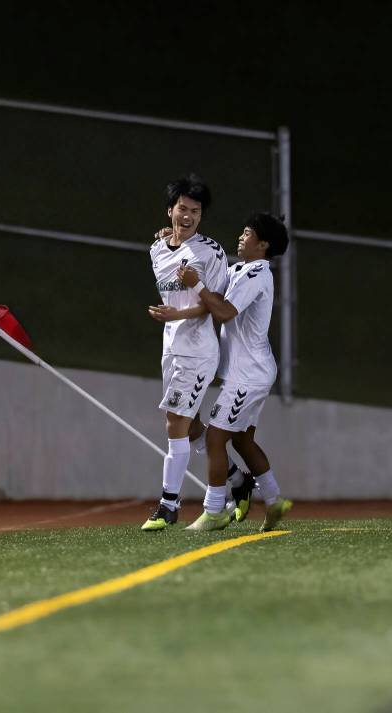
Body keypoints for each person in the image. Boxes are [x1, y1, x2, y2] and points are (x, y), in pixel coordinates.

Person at [179, 212, 293, 532]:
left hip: (249, 373)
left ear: (263, 245)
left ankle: (214, 510)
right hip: (250, 371)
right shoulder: (241, 268)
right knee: (242, 441)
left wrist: (196, 285)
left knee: (215, 437)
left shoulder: (258, 273)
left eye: (247, 233)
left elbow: (226, 312)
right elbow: (215, 292)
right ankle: (274, 500)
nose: (241, 237)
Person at [140, 174, 230, 531]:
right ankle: (236, 478)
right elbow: (172, 295)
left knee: (174, 422)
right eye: (182, 208)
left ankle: (168, 504)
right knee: (191, 426)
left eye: (195, 210)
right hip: (171, 346)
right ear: (170, 210)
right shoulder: (157, 248)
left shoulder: (211, 251)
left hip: (199, 349)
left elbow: (218, 303)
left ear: (201, 215)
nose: (188, 216)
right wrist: (172, 315)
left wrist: (179, 313)